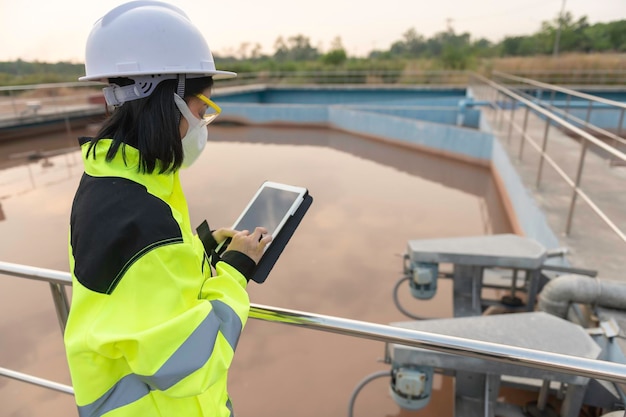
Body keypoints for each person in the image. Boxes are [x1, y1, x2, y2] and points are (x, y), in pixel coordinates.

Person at [63, 2, 271, 416]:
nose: (201, 126)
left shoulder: (115, 182)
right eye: (200, 111)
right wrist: (235, 272)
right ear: (163, 102)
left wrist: (206, 247)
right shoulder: (141, 218)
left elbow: (145, 286)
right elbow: (195, 363)